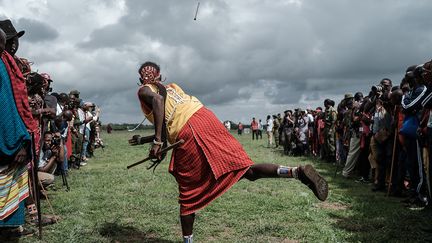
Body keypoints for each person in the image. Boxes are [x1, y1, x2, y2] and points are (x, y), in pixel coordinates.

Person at [133, 61, 328, 242]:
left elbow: (158, 101)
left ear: (142, 79)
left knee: (188, 194)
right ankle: (296, 172)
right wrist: (148, 139)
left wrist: (158, 141)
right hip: (205, 118)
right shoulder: (173, 88)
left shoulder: (144, 91)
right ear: (161, 77)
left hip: (189, 129)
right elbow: (171, 118)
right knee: (245, 170)